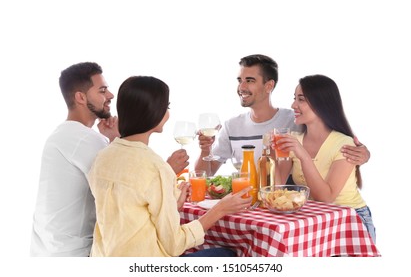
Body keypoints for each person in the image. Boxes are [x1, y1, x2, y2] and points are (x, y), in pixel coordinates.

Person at [30, 62, 188, 257]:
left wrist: (111, 138)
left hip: (46, 248)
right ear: (80, 97)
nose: (111, 96)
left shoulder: (65, 134)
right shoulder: (85, 140)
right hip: (74, 252)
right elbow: (132, 180)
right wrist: (168, 169)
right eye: (102, 91)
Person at [88, 75, 252, 257]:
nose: (168, 112)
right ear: (154, 112)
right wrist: (220, 209)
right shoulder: (155, 167)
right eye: (166, 107)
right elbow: (174, 244)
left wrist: (173, 204)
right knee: (227, 254)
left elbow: (130, 213)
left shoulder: (102, 157)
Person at [194, 54, 370, 176]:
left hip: (287, 205)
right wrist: (204, 150)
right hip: (248, 204)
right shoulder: (231, 126)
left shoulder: (294, 120)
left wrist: (364, 153)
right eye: (240, 80)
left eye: (250, 80)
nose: (241, 87)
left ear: (269, 86)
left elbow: (332, 141)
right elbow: (206, 173)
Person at [273, 74, 376, 243]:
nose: (293, 105)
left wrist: (303, 155)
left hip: (349, 219)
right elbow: (278, 190)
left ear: (321, 103)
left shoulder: (345, 144)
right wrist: (273, 156)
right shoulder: (294, 140)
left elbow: (326, 198)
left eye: (301, 99)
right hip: (316, 220)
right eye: (294, 98)